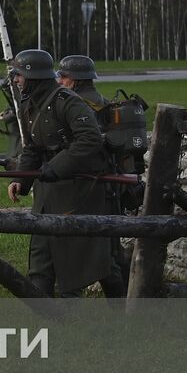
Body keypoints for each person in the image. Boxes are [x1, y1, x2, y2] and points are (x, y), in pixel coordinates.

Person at [6, 48, 114, 297]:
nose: (16, 80)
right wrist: (21, 181)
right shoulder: (28, 105)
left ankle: (71, 319)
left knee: (70, 260)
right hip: (46, 191)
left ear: (32, 76)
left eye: (19, 75)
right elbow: (32, 148)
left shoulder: (67, 101)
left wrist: (55, 167)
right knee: (40, 256)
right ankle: (43, 314)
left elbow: (90, 139)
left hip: (74, 189)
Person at [56, 54, 129, 297]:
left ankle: (71, 303)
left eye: (63, 76)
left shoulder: (76, 105)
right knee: (108, 250)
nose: (59, 80)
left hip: (86, 184)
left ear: (74, 80)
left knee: (81, 246)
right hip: (108, 184)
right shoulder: (104, 102)